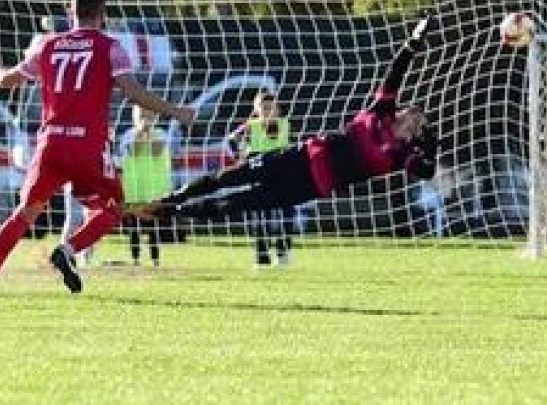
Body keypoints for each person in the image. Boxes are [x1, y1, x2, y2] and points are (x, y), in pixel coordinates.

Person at [0, 0, 194, 297]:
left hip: (51, 145)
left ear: (70, 11)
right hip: (87, 145)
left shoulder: (46, 46)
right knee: (114, 208)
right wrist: (175, 110)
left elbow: (6, 81)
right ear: (103, 14)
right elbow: (133, 92)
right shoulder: (110, 47)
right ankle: (69, 249)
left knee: (25, 214)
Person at [131, 17, 438, 226]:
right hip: (300, 155)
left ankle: (171, 213)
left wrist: (431, 147)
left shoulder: (401, 155)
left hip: (311, 184)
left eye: (418, 124)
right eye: (414, 114)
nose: (413, 121)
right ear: (404, 111)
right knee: (227, 177)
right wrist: (413, 42)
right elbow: (395, 72)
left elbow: (425, 171)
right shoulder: (381, 111)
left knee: (237, 204)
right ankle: (171, 198)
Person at [227, 89, 295, 267]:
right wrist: (239, 157)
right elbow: (231, 139)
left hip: (280, 169)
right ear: (257, 109)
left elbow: (289, 146)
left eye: (271, 107)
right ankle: (262, 257)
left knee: (287, 213)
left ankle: (283, 253)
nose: (268, 111)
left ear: (277, 109)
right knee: (260, 215)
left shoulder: (284, 124)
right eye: (264, 108)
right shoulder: (251, 126)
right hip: (257, 169)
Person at [118, 104, 174, 267]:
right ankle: (135, 259)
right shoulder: (128, 135)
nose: (145, 117)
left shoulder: (160, 134)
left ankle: (155, 259)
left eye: (149, 114)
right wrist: (141, 133)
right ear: (134, 116)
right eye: (141, 114)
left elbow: (157, 153)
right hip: (134, 189)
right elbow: (132, 153)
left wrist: (148, 132)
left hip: (154, 190)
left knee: (153, 228)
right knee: (134, 228)